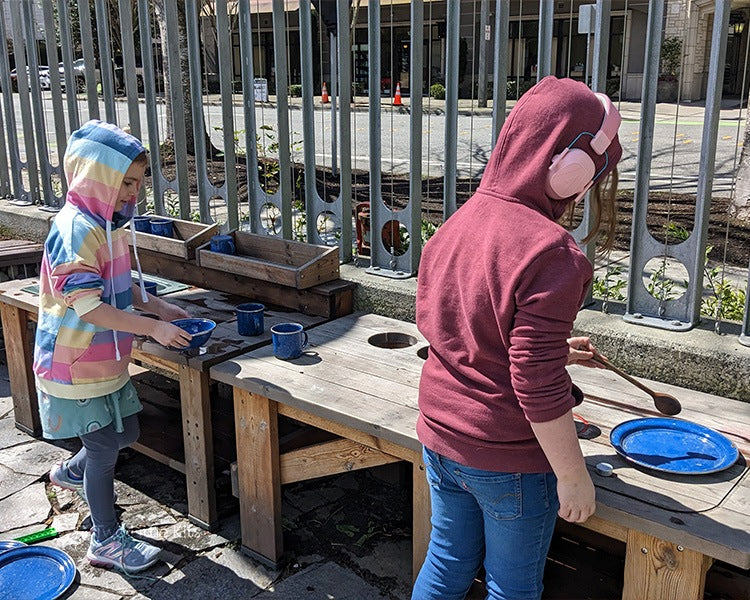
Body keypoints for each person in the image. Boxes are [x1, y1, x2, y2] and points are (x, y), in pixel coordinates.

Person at [412, 76, 623, 600]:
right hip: (508, 459)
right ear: (569, 170)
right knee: (513, 586)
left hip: (440, 437)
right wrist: (572, 476)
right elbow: (534, 381)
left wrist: (548, 350)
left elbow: (455, 327)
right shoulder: (553, 252)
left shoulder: (458, 222)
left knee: (447, 561)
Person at [33, 120, 193, 573]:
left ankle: (69, 472)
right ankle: (105, 539)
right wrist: (151, 328)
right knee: (104, 448)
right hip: (75, 362)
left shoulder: (111, 224)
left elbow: (121, 285)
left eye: (138, 183)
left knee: (127, 434)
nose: (133, 193)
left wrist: (160, 308)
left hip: (105, 361)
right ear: (93, 174)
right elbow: (90, 307)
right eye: (125, 182)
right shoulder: (74, 230)